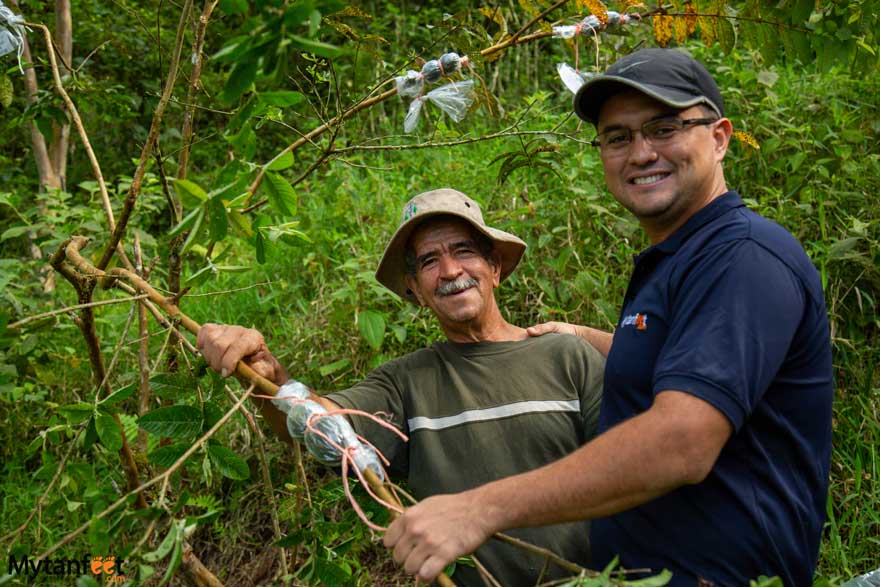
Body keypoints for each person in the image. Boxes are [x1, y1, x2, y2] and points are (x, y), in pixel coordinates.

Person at [383, 48, 833, 587]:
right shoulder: (675, 264)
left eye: (664, 129)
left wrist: (479, 509)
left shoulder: (741, 256)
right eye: (618, 138)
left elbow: (682, 440)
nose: (640, 153)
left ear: (719, 137)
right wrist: (580, 334)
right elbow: (683, 364)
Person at [197, 188, 606, 587]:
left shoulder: (566, 356)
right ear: (414, 289)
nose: (450, 272)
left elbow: (622, 471)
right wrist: (267, 375)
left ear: (494, 267)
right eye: (430, 261)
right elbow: (322, 427)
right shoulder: (405, 382)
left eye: (463, 251)